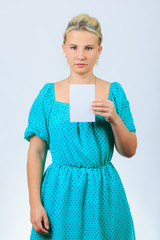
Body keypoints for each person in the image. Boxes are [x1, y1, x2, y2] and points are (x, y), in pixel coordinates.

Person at [24, 13, 137, 240]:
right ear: (64, 48)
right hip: (59, 191)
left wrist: (114, 118)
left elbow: (129, 150)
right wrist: (34, 203)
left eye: (88, 48)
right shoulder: (48, 95)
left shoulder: (113, 92)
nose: (81, 56)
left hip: (103, 191)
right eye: (74, 47)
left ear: (99, 51)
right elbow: (36, 152)